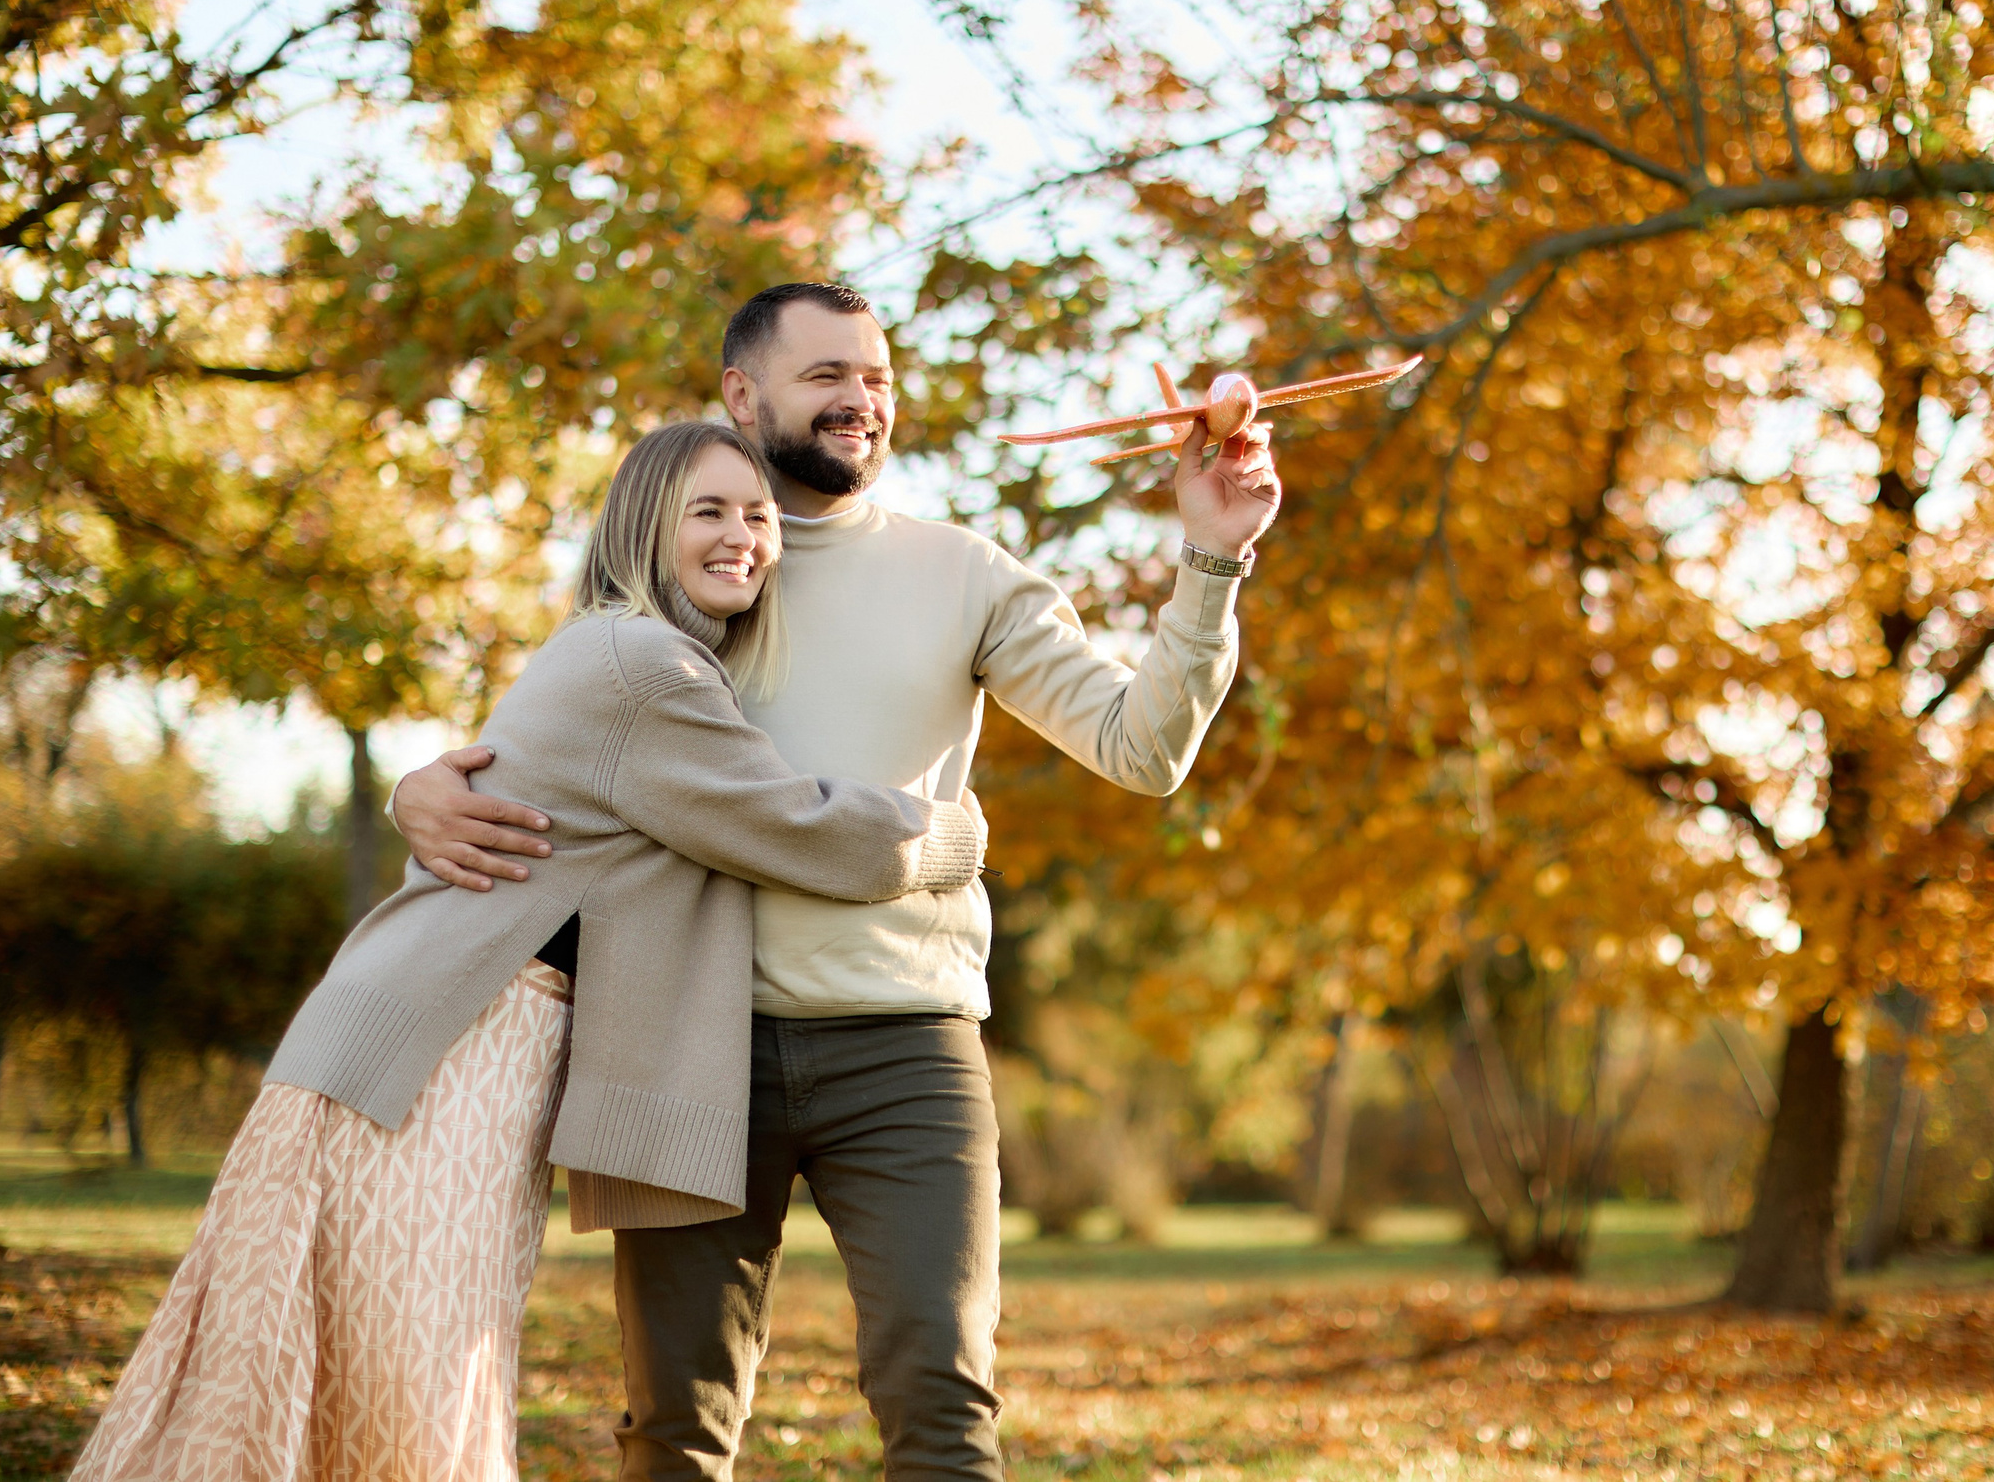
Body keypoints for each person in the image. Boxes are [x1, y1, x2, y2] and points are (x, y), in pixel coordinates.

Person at [392, 281, 1281, 1481]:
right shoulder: (680, 567)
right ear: (741, 392)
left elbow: (1143, 749)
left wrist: (1212, 558)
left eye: (877, 379)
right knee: (673, 1428)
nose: (861, 400)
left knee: (941, 1405)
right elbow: (558, 745)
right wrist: (419, 790)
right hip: (684, 1041)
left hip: (907, 1048)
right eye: (826, 376)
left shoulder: (964, 574)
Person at [71, 420, 986, 1482]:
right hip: (434, 1064)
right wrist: (954, 837)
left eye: (757, 515)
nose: (742, 535)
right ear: (642, 527)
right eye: (707, 511)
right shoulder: (644, 667)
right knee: (406, 1393)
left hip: (434, 1052)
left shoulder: (633, 652)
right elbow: (796, 828)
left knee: (330, 1389)